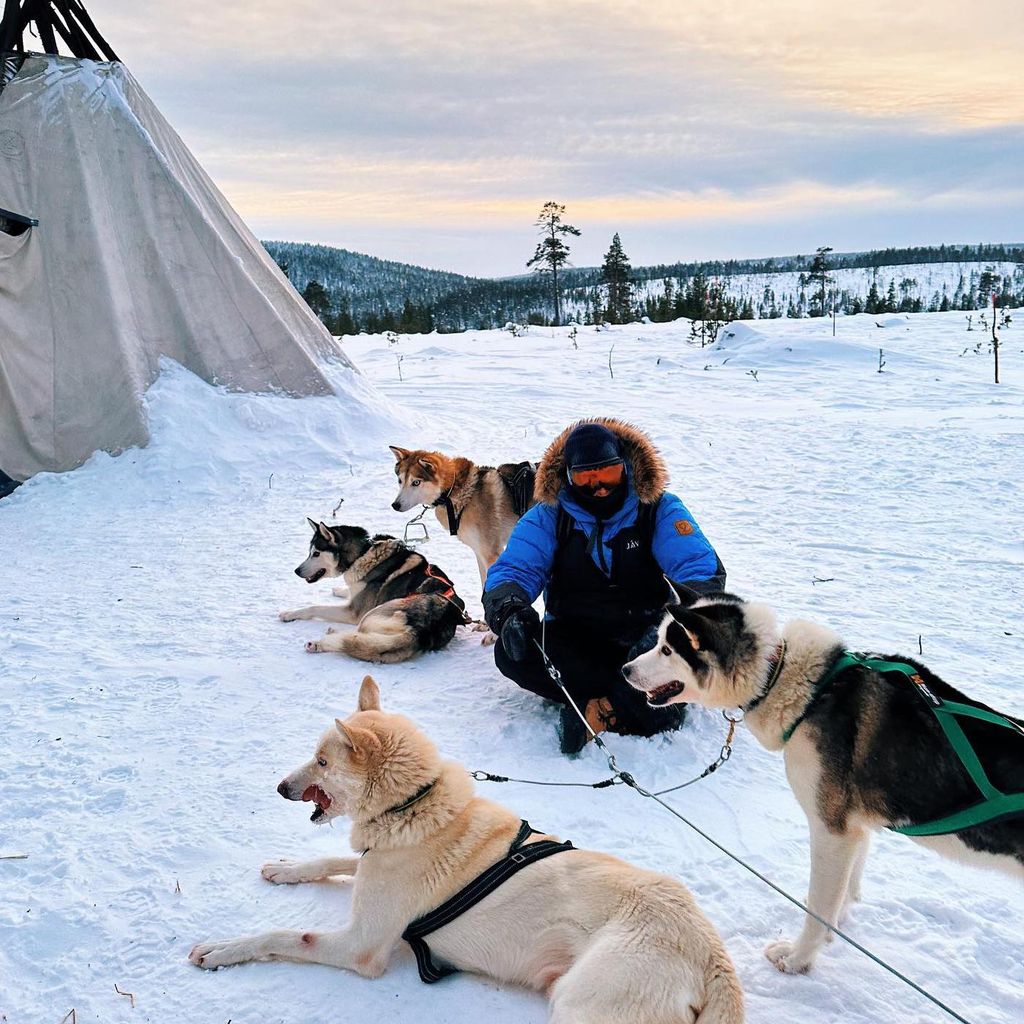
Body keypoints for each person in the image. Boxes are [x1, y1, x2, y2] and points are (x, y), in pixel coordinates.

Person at [482, 418, 726, 755]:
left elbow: (699, 568)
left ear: (624, 467)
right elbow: (514, 568)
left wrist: (675, 628)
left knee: (682, 651)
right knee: (511, 653)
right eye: (585, 477)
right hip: (575, 636)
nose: (598, 485)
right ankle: (639, 703)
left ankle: (604, 709)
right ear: (568, 476)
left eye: (607, 473)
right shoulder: (549, 515)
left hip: (648, 639)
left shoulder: (658, 508)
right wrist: (508, 609)